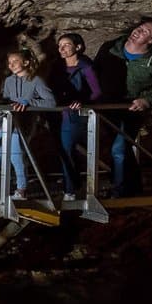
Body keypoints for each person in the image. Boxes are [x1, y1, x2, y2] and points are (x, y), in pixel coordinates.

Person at [92, 18, 152, 197]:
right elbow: (94, 72)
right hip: (106, 107)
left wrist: (147, 100)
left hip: (132, 111)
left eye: (146, 31)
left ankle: (119, 191)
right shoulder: (110, 47)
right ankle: (133, 188)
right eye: (140, 27)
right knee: (118, 149)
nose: (139, 31)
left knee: (119, 149)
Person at [0, 49, 56, 201]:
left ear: (26, 62)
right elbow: (4, 103)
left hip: (23, 125)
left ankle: (21, 190)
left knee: (16, 156)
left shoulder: (36, 80)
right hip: (6, 123)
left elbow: (51, 102)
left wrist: (28, 102)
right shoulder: (8, 81)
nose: (11, 65)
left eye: (15, 61)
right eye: (9, 62)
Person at [48, 32, 101, 202]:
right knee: (63, 151)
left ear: (78, 47)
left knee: (68, 150)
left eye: (66, 45)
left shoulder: (86, 67)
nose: (61, 48)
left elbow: (97, 91)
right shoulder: (57, 67)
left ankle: (70, 190)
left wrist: (82, 101)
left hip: (75, 116)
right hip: (58, 114)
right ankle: (74, 185)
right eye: (59, 45)